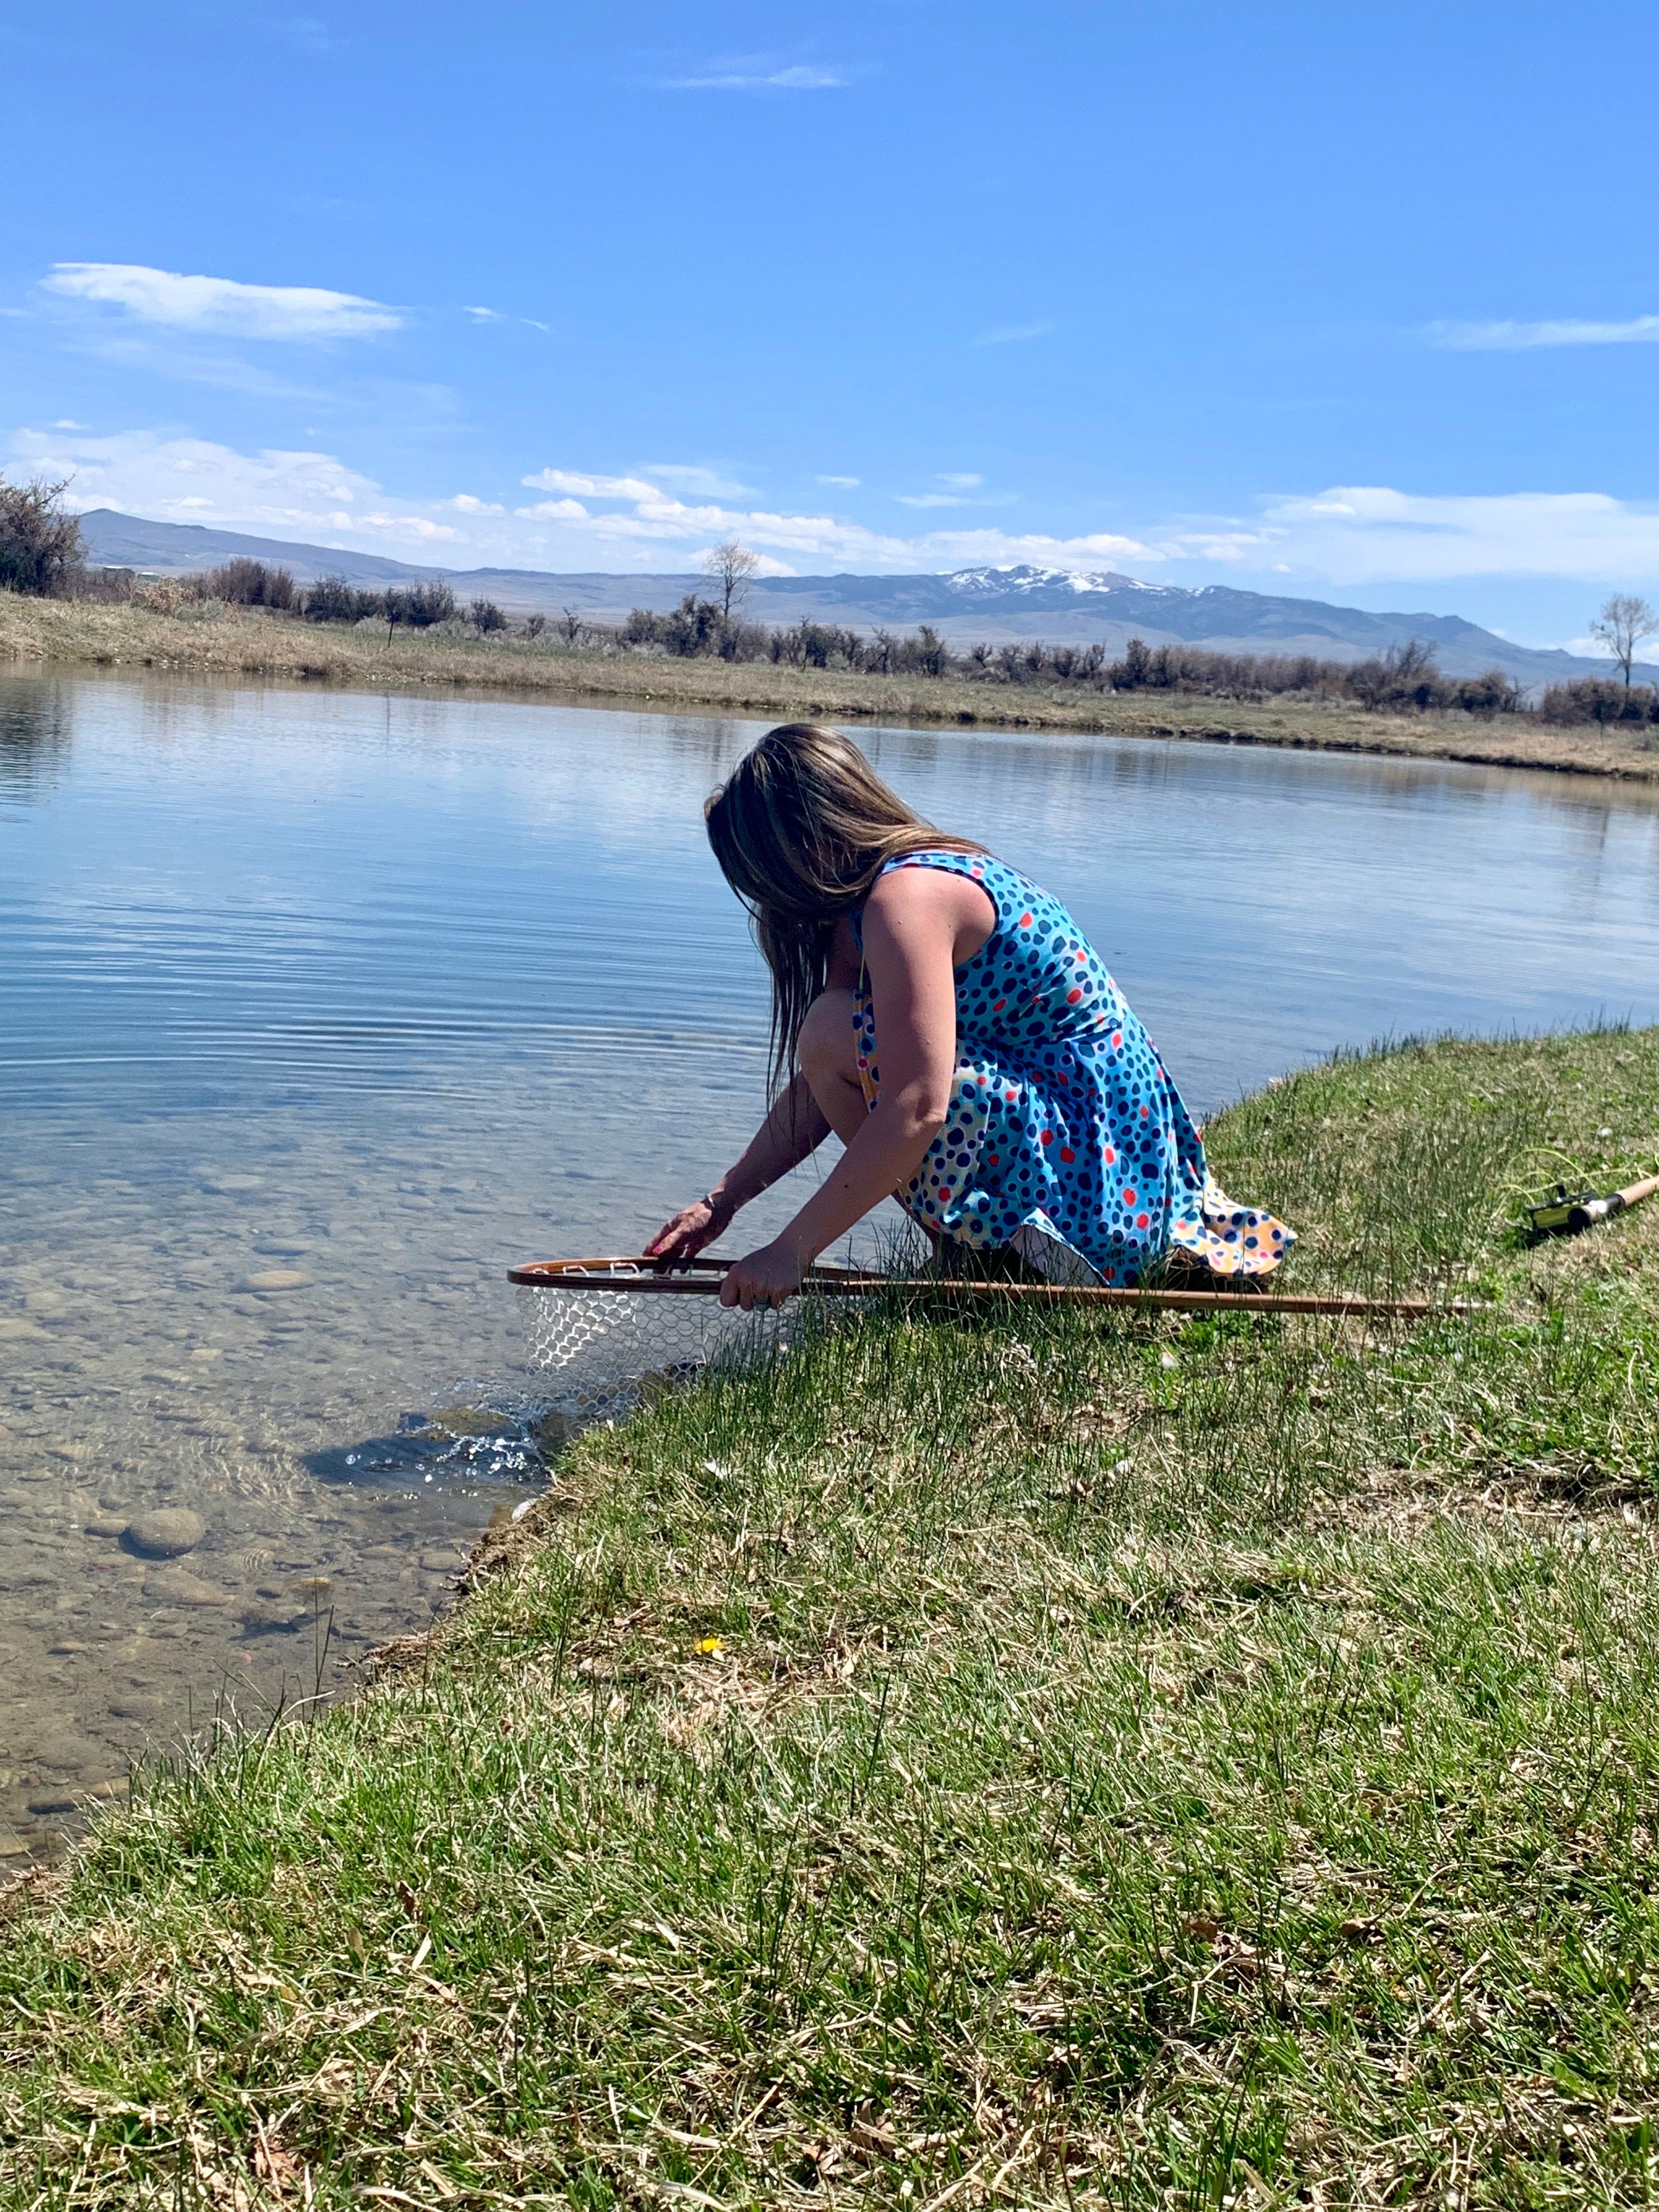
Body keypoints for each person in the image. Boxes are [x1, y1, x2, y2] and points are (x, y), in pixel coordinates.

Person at [648, 723, 1293, 1310]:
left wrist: (792, 1250)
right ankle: (981, 1254)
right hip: (1097, 1156)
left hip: (1100, 1184)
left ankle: (1003, 1261)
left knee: (828, 1031)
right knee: (830, 1033)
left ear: (807, 847)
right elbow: (826, 1079)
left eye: (768, 880)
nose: (773, 905)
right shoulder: (869, 907)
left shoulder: (906, 898)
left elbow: (917, 1103)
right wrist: (721, 1202)